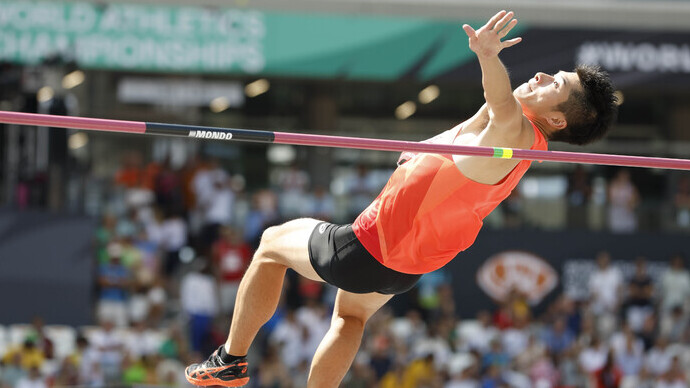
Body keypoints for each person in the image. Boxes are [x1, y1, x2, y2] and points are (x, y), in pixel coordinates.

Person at [185, 10, 618, 387]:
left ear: (557, 118)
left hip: (371, 246)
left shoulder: (516, 132)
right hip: (406, 267)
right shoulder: (514, 137)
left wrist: (488, 56)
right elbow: (483, 118)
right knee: (349, 318)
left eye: (554, 83)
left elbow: (499, 103)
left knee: (269, 244)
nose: (542, 76)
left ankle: (230, 360)